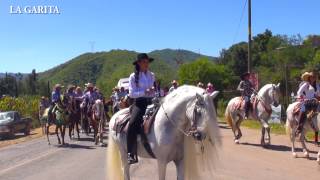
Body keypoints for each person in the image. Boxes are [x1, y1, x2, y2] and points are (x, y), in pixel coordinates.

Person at [127, 53, 155, 164]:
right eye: (144, 62)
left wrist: (155, 91)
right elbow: (131, 94)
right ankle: (130, 153)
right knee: (133, 123)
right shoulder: (133, 77)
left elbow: (154, 89)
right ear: (138, 63)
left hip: (152, 102)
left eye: (147, 62)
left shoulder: (152, 75)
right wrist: (145, 92)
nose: (146, 64)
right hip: (140, 103)